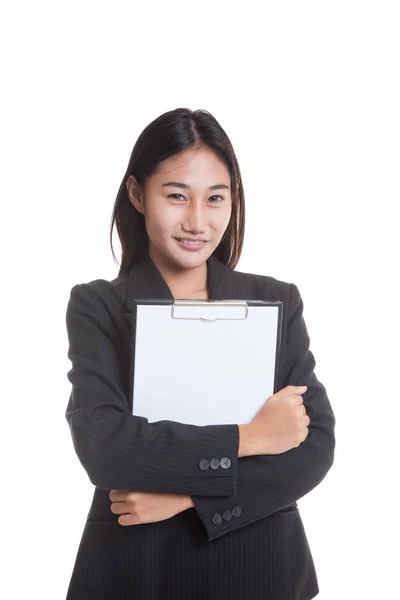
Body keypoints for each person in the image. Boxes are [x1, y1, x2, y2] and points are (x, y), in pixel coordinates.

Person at [64, 107, 336, 599]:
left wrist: (186, 497)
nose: (197, 221)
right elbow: (104, 445)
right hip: (135, 570)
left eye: (215, 198)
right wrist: (252, 436)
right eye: (175, 196)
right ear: (136, 194)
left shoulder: (276, 301)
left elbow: (313, 449)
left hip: (261, 568)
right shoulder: (99, 305)